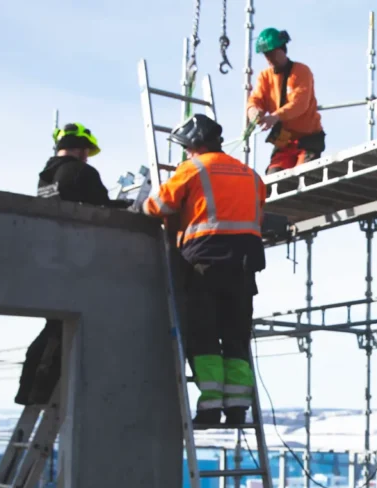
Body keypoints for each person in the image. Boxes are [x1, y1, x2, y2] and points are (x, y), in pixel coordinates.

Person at [142, 113, 267, 426]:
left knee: (205, 336)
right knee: (236, 337)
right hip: (244, 266)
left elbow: (157, 206)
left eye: (186, 147)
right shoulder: (251, 175)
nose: (185, 152)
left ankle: (210, 408)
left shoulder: (193, 168)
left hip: (205, 264)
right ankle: (238, 408)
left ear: (196, 144)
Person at [15, 123, 121, 406]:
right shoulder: (81, 172)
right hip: (77, 259)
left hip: (50, 259)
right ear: (81, 148)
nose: (87, 156)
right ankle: (41, 390)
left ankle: (29, 389)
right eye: (87, 151)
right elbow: (103, 209)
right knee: (63, 329)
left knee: (54, 325)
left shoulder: (46, 176)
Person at [246, 27, 325, 174]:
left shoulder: (301, 72)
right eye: (266, 54)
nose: (269, 58)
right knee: (273, 178)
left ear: (282, 49)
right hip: (284, 141)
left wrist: (275, 117)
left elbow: (299, 103)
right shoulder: (265, 77)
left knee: (303, 176)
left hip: (308, 139)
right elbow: (256, 99)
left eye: (271, 53)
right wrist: (253, 111)